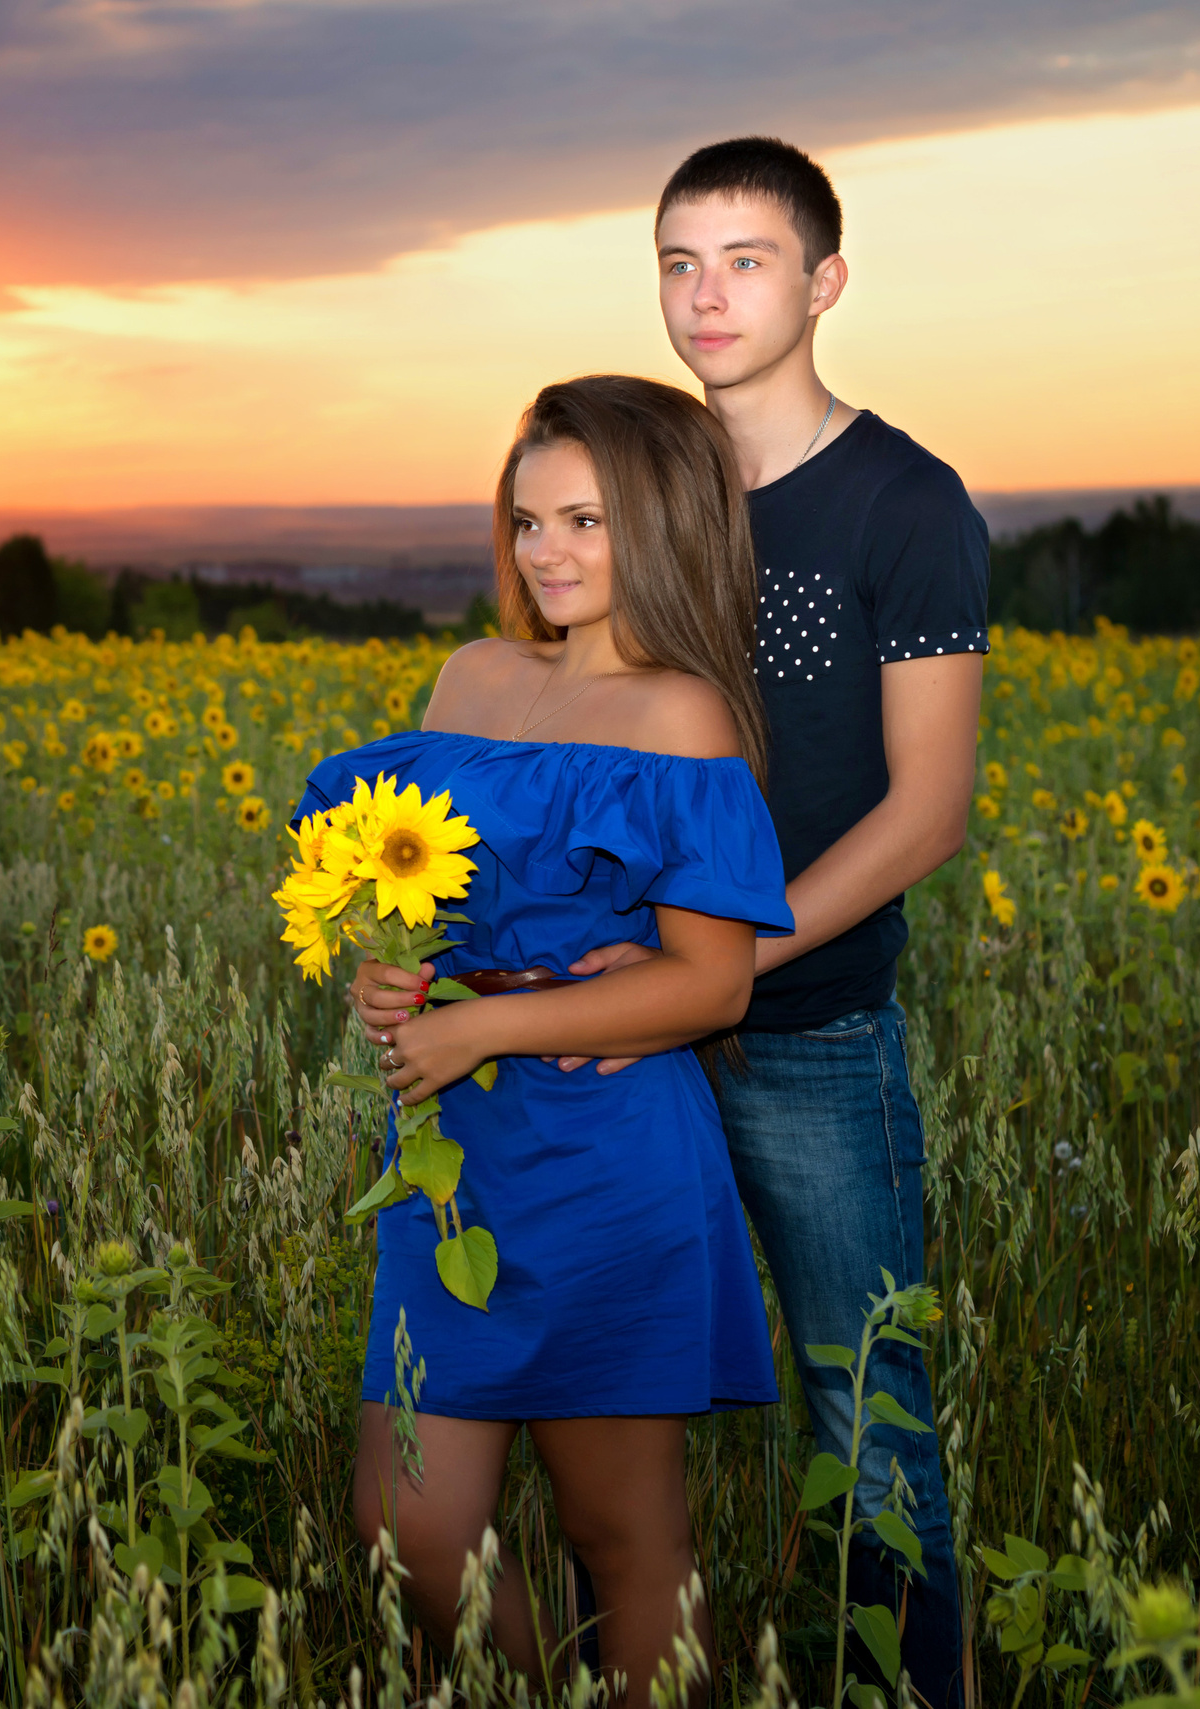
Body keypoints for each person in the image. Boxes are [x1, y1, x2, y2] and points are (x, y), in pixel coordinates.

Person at [358, 137, 985, 1709]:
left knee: (866, 1404)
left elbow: (926, 811)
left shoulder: (904, 503)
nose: (707, 296)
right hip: (598, 1056)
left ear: (824, 281)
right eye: (678, 264)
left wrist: (712, 966)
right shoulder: (648, 475)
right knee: (594, 1461)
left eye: (748, 261)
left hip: (809, 1025)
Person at [328, 373, 790, 1709]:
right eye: (529, 522)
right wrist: (401, 985)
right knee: (403, 1526)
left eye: (584, 520)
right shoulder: (471, 675)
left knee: (625, 1537)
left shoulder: (682, 714)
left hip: (609, 1153)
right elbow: (420, 892)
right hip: (454, 1157)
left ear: (661, 522)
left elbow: (714, 985)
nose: (547, 554)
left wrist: (503, 1026)